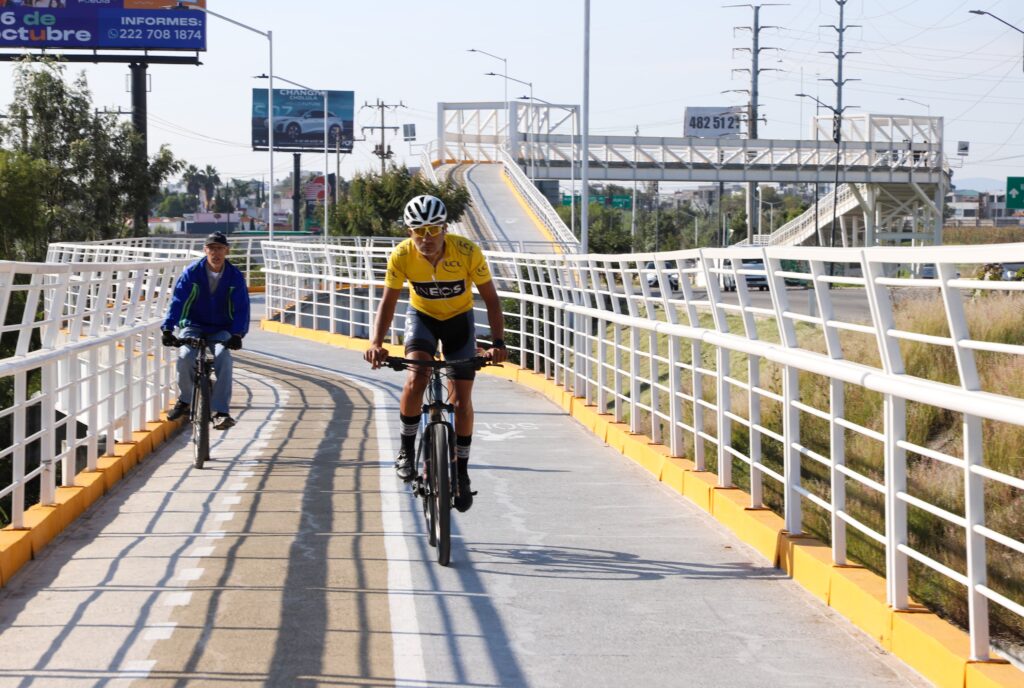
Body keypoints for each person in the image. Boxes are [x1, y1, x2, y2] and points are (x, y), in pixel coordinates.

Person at [364, 195, 508, 512]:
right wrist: (376, 342)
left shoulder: (468, 252)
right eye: (418, 230)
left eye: (433, 229)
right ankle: (405, 450)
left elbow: (492, 300)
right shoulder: (401, 255)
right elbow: (388, 302)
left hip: (460, 322)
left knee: (461, 399)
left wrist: (498, 343)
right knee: (417, 377)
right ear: (408, 231)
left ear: (445, 228)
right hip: (422, 319)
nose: (426, 238)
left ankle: (461, 471)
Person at [161, 231, 250, 430]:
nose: (216, 253)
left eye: (220, 248)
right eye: (212, 248)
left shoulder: (234, 276)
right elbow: (177, 301)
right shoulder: (192, 272)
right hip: (193, 324)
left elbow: (242, 307)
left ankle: (221, 411)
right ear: (205, 250)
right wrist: (167, 328)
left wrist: (237, 334)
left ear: (226, 250)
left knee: (223, 357)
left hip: (221, 328)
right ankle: (185, 401)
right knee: (185, 356)